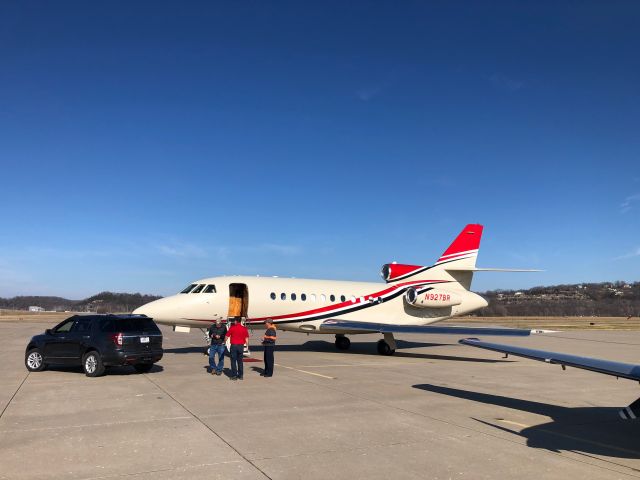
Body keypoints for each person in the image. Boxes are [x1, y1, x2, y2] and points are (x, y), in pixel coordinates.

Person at [225, 316, 249, 381]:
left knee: (233, 361)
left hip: (234, 346)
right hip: (241, 346)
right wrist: (247, 346)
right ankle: (241, 375)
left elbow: (227, 336)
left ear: (235, 321)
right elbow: (246, 338)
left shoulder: (232, 328)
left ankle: (234, 375)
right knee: (240, 361)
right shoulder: (244, 328)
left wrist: (224, 342)